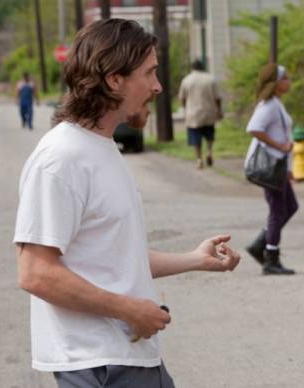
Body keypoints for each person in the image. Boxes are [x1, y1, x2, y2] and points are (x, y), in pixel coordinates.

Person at [13, 19, 241, 387]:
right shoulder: (61, 158)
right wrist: (130, 309)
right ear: (114, 79)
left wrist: (195, 260)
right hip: (98, 364)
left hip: (128, 359)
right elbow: (35, 272)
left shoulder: (100, 148)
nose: (158, 86)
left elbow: (113, 256)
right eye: (149, 73)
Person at [244, 63, 298, 275]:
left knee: (290, 206)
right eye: (285, 78)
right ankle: (270, 258)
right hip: (271, 167)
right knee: (277, 211)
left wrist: (289, 167)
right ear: (275, 83)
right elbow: (254, 129)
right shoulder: (268, 105)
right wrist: (280, 147)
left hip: (280, 167)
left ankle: (262, 244)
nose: (288, 82)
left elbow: (281, 132)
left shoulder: (276, 103)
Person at [178, 59, 223, 169]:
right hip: (209, 112)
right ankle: (209, 151)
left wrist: (185, 108)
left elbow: (182, 98)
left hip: (193, 114)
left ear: (192, 68)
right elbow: (217, 97)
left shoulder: (186, 80)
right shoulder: (210, 79)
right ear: (203, 67)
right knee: (209, 134)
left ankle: (199, 159)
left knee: (195, 138)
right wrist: (219, 110)